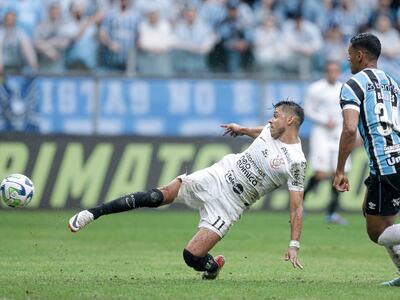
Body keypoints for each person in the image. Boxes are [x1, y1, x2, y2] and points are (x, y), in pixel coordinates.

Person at [68, 100, 307, 279]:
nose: (270, 120)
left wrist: (293, 245)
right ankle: (94, 212)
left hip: (231, 205)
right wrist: (241, 129)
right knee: (157, 196)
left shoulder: (296, 162)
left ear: (289, 121)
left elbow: (297, 207)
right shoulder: (271, 129)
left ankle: (212, 267)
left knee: (191, 256)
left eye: (275, 116)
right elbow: (261, 132)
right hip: (217, 177)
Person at [333, 32, 400, 286]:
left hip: (385, 163)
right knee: (374, 213)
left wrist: (340, 170)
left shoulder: (353, 84)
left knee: (377, 232)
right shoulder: (393, 83)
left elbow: (350, 129)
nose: (347, 59)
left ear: (360, 56)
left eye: (349, 54)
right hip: (395, 158)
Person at [304, 61, 350, 225]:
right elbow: (308, 109)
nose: (333, 74)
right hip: (321, 132)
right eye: (330, 71)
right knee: (320, 173)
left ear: (338, 72)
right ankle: (300, 203)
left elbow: (349, 112)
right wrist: (324, 120)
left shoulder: (344, 88)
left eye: (335, 71)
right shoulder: (316, 88)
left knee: (339, 173)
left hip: (338, 132)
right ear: (325, 72)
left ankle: (332, 213)